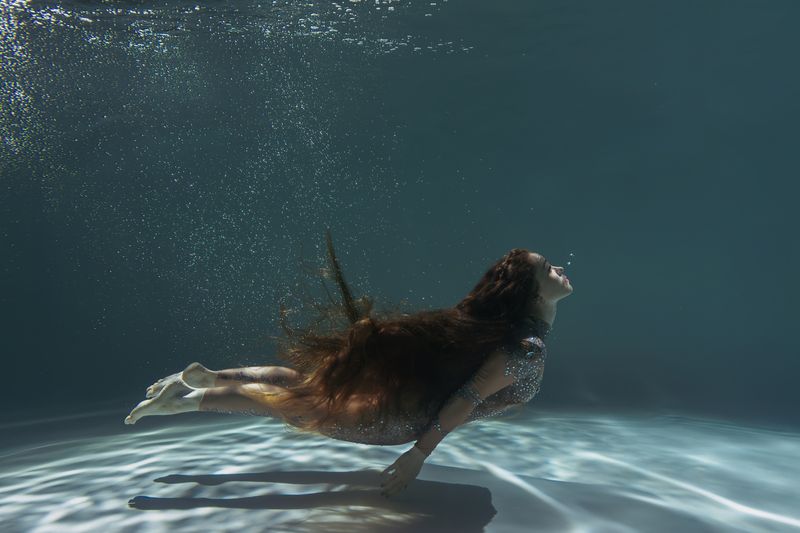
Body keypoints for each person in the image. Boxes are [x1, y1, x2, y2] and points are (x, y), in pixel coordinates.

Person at [124, 233, 574, 498]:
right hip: (398, 418)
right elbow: (467, 397)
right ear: (531, 294)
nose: (560, 270)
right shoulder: (527, 346)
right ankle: (186, 400)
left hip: (403, 407)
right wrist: (417, 455)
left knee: (305, 386)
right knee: (298, 405)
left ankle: (207, 377)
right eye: (549, 269)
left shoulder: (509, 337)